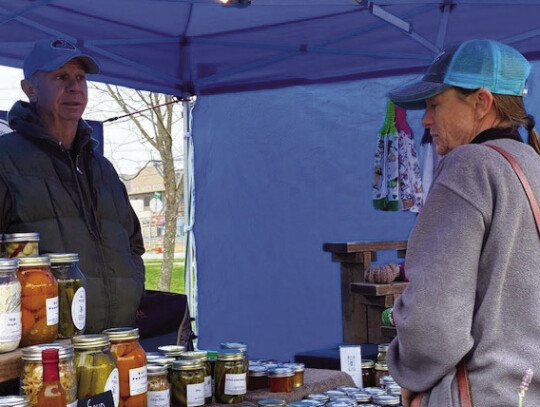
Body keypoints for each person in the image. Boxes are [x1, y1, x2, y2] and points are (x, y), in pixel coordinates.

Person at [386, 39, 540, 406]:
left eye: (435, 104)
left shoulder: (469, 165)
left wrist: (409, 370)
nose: (425, 119)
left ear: (482, 103)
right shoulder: (533, 164)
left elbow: (433, 326)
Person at [0, 38, 145, 333]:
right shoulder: (6, 160)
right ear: (30, 89)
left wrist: (132, 287)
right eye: (60, 77)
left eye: (80, 78)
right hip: (42, 352)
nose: (74, 87)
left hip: (113, 343)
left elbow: (134, 243)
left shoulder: (103, 169)